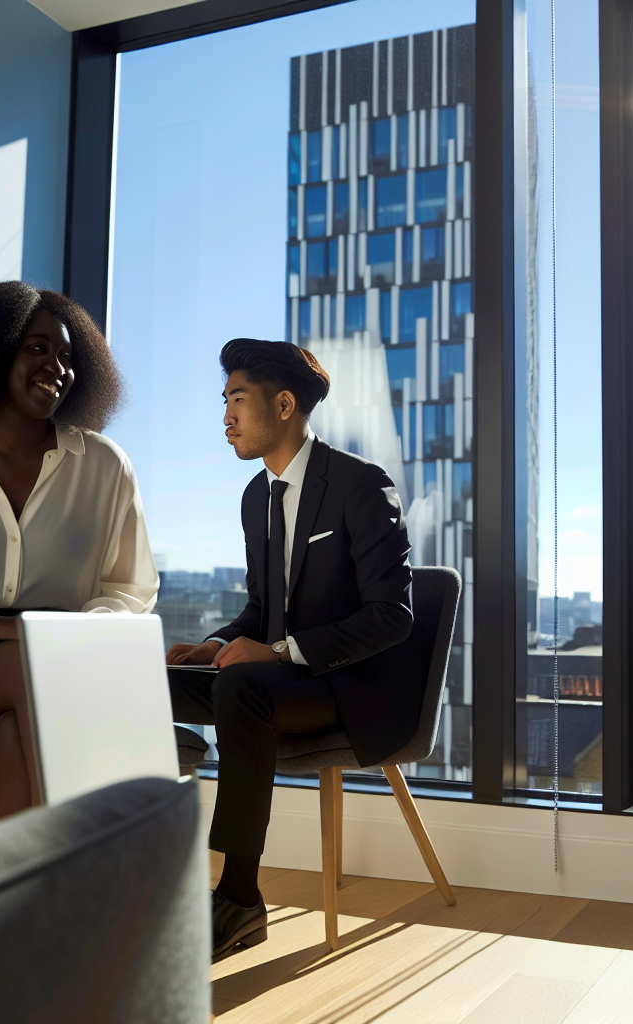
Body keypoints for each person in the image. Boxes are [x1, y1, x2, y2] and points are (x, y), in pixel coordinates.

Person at [167, 338, 420, 961]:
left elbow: (392, 617)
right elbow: (261, 609)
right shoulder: (258, 497)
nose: (225, 417)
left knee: (243, 687)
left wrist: (277, 653)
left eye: (236, 400)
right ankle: (137, 861)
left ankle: (239, 896)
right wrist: (214, 645)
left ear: (284, 405)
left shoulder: (361, 485)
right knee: (148, 679)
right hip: (278, 681)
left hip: (347, 686)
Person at [0, 281, 158, 823]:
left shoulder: (105, 466)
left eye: (69, 357)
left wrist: (73, 633)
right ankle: (123, 879)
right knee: (42, 674)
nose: (58, 367)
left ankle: (11, 904)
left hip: (58, 654)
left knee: (18, 734)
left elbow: (130, 589)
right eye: (38, 348)